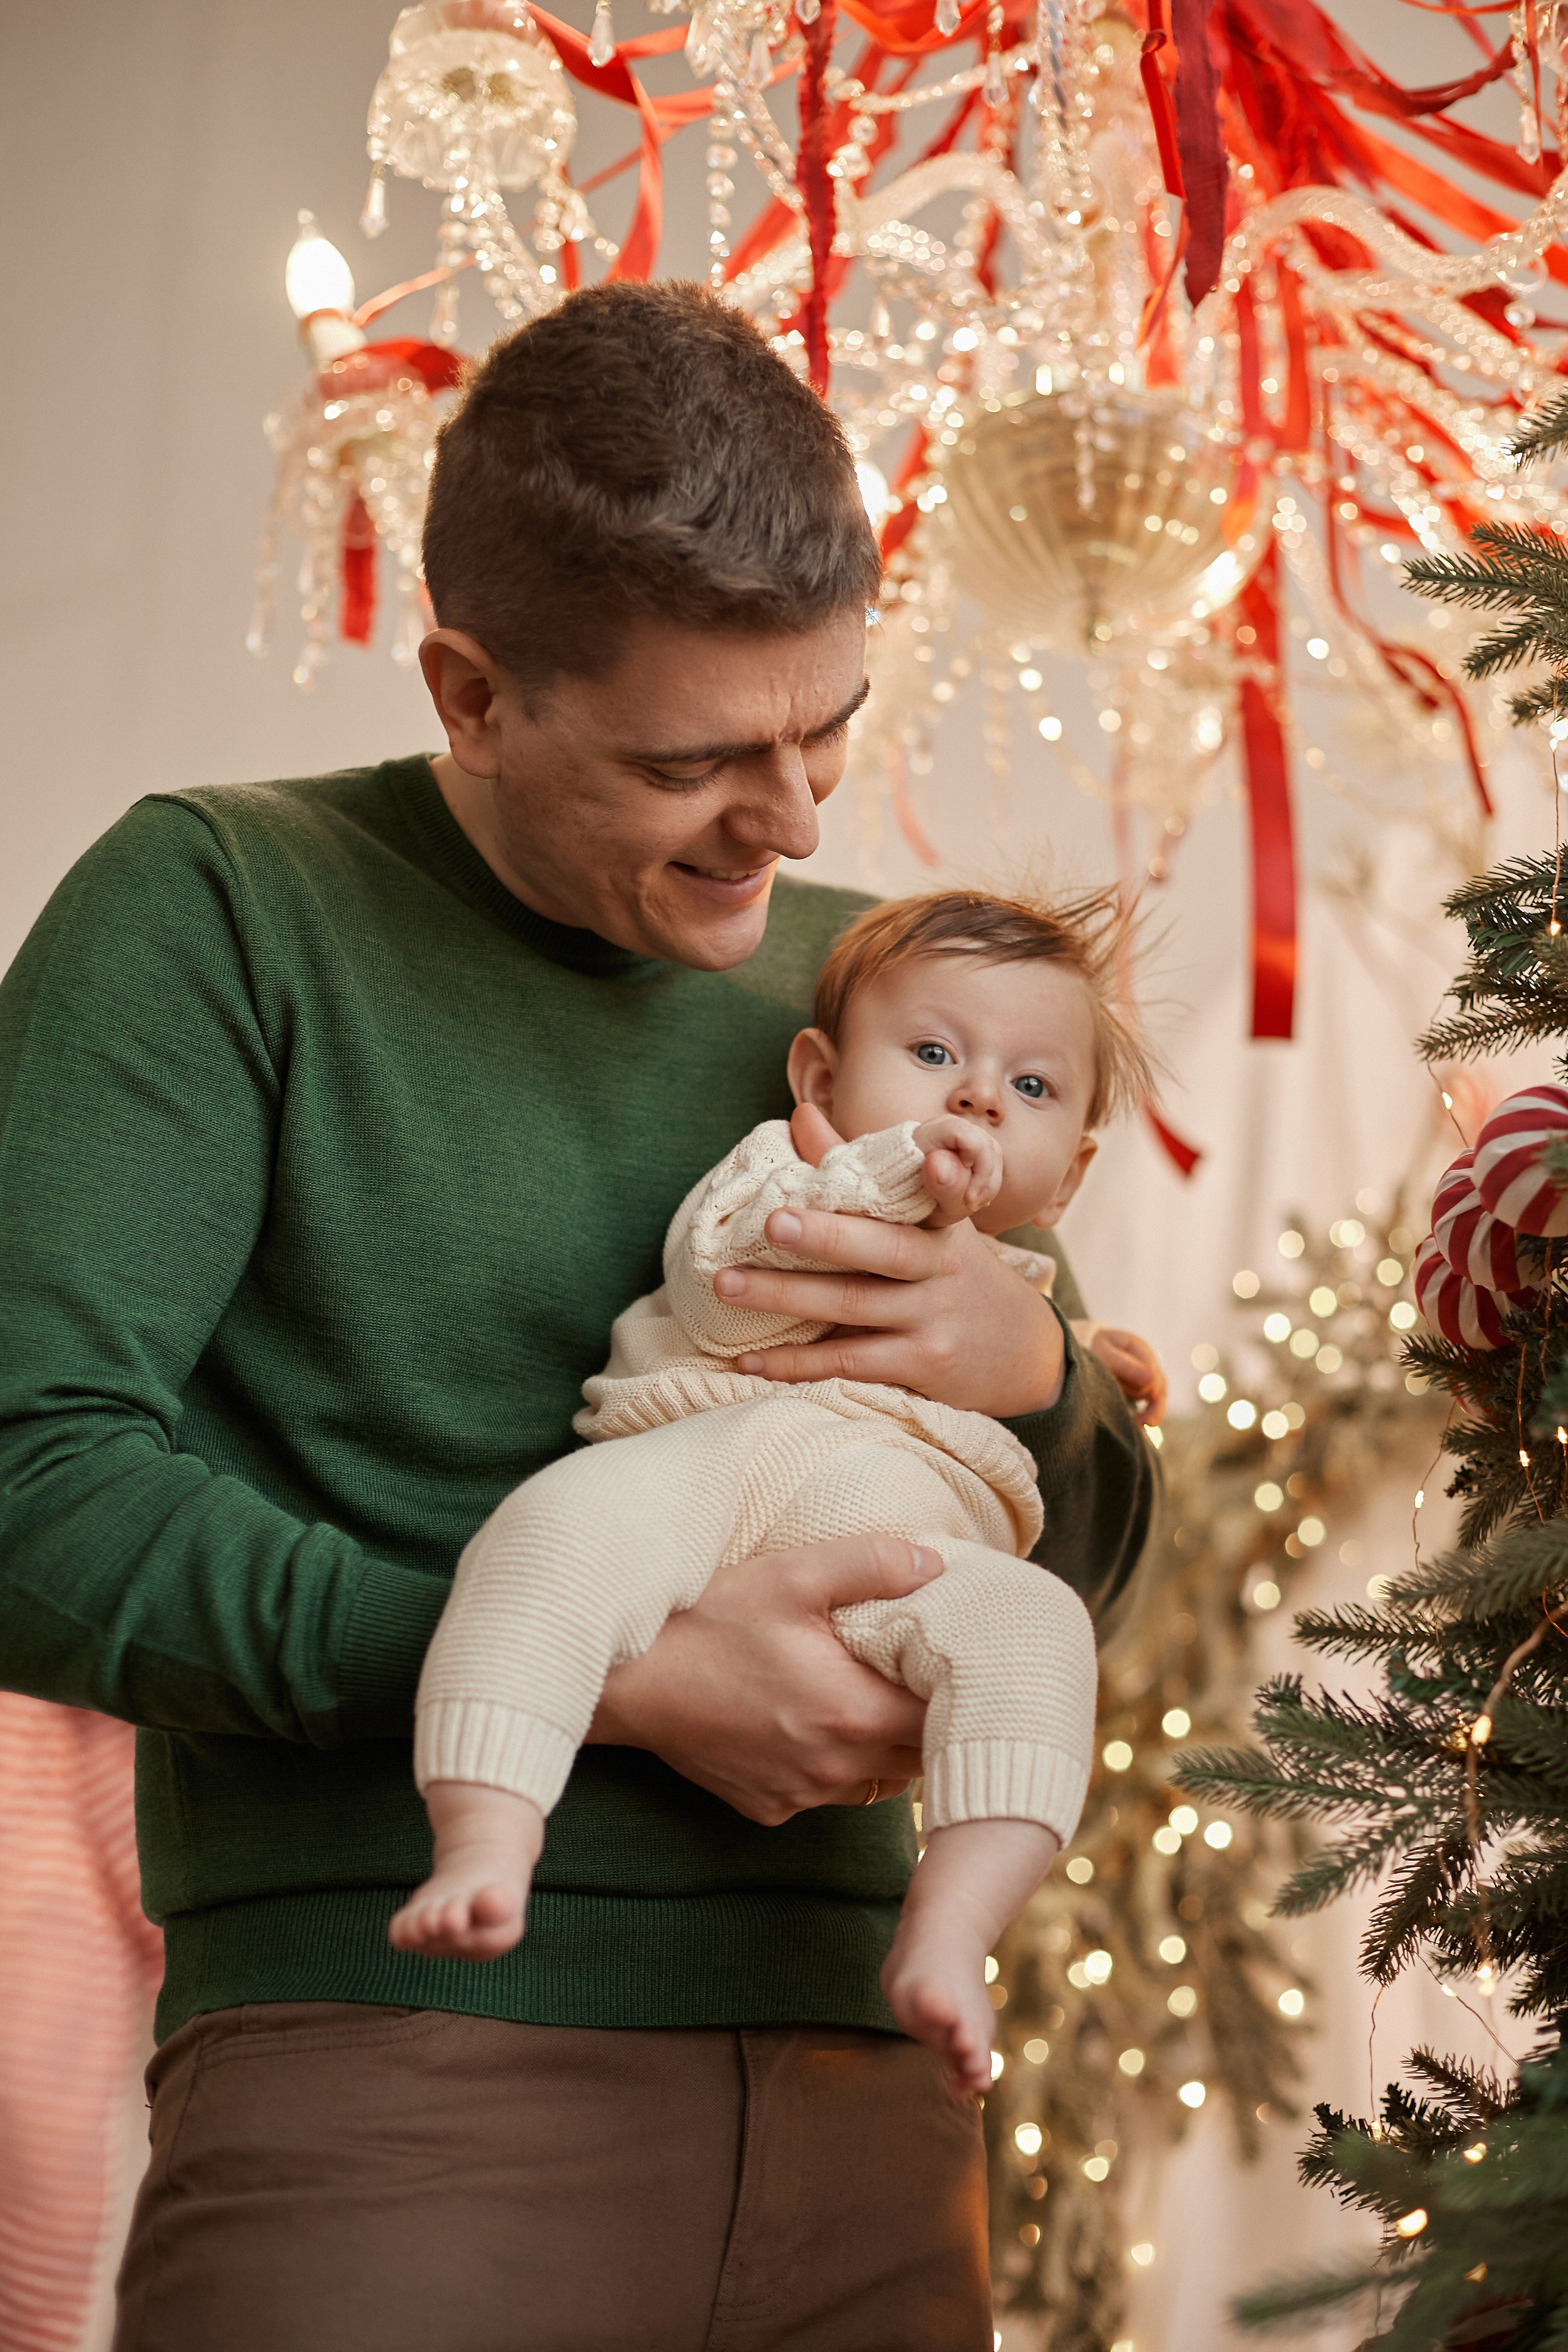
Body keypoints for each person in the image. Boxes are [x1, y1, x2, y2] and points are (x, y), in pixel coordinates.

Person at [0, 280, 1155, 2351]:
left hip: (878, 2097)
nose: (795, 822)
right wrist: (605, 1676)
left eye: (829, 727)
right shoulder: (224, 908)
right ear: (471, 692)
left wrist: (1047, 1383)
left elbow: (1074, 1559)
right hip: (395, 2068)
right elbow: (26, 1489)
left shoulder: (891, 999)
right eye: (696, 760)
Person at [391, 886, 1166, 2103]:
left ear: (1065, 1177)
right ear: (819, 1077)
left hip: (902, 1535)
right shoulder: (774, 1170)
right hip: (702, 1467)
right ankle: (486, 1831)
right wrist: (894, 1171)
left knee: (1036, 1632)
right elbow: (720, 1282)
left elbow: (1061, 1438)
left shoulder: (1015, 1286)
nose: (975, 1097)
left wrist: (1071, 1363)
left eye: (1030, 1086)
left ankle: (951, 1930)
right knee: (547, 1540)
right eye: (933, 1056)